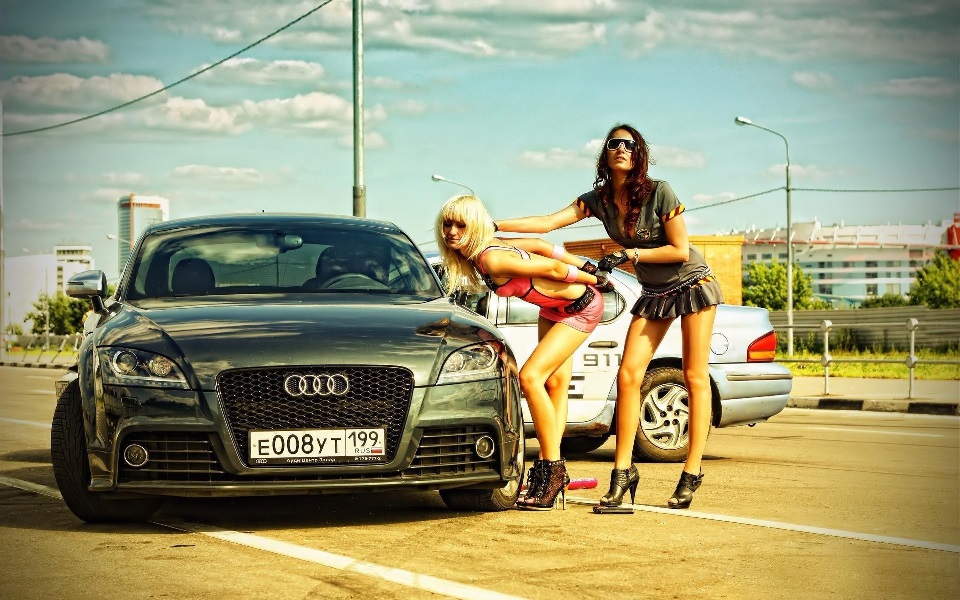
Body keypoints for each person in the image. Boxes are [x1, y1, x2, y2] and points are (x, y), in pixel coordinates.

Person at [493, 123, 723, 511]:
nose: (622, 149)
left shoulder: (659, 192)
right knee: (628, 375)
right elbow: (548, 223)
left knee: (694, 376)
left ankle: (691, 471)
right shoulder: (599, 200)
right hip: (655, 292)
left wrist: (632, 255)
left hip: (693, 283)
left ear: (639, 154)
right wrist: (494, 226)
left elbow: (680, 250)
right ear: (606, 152)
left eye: (629, 145)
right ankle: (623, 473)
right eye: (615, 143)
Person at [435, 194, 614, 511]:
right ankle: (550, 468)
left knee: (530, 378)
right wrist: (585, 265)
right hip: (553, 309)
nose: (452, 231)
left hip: (580, 307)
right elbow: (538, 244)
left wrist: (594, 277)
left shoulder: (491, 258)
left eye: (460, 225)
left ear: (474, 225)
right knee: (554, 384)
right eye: (447, 224)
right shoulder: (485, 251)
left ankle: (552, 470)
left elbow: (553, 268)